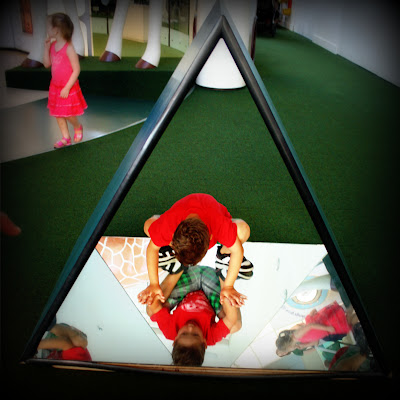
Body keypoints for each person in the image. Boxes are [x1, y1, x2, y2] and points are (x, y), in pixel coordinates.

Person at [137, 193, 253, 308]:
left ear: (211, 238)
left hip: (215, 218)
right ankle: (167, 249)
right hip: (175, 221)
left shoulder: (219, 225)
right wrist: (154, 283)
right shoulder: (169, 224)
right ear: (173, 238)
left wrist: (228, 286)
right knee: (148, 226)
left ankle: (224, 254)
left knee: (243, 230)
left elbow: (237, 251)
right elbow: (152, 248)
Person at [146, 265, 242, 366]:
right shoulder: (211, 337)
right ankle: (224, 277)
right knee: (235, 325)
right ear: (204, 342)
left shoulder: (169, 330)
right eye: (195, 335)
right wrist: (227, 292)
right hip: (210, 286)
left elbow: (155, 308)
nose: (190, 328)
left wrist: (152, 295)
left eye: (184, 333)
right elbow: (231, 319)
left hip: (189, 282)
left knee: (151, 311)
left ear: (175, 340)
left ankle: (178, 267)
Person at [43, 13, 87, 149]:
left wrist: (67, 87)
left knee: (68, 114)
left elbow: (76, 69)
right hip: (56, 87)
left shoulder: (69, 48)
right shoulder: (52, 46)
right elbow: (46, 64)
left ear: (56, 30)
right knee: (58, 114)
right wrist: (46, 48)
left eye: (48, 27)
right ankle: (66, 138)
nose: (47, 29)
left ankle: (77, 126)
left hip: (67, 87)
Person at [276, 301, 359, 357]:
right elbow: (315, 339)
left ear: (288, 346)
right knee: (348, 322)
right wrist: (305, 345)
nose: (290, 350)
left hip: (326, 325)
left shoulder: (297, 335)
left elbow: (310, 326)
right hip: (325, 330)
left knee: (348, 321)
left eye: (288, 350)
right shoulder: (298, 339)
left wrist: (327, 328)